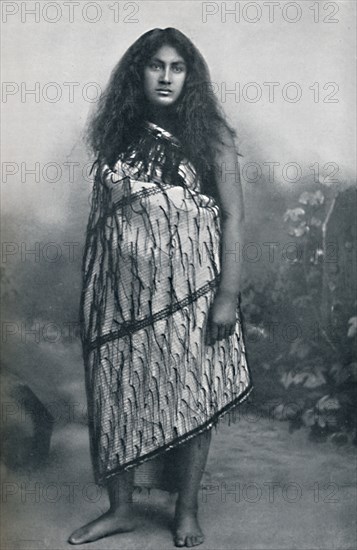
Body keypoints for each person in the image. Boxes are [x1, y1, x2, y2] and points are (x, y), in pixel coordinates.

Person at [69, 27, 253, 548]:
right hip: (120, 297)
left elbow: (233, 218)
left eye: (177, 67)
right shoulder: (119, 132)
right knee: (116, 393)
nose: (167, 77)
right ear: (138, 73)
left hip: (192, 295)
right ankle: (121, 509)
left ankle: (186, 511)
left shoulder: (210, 135)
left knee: (191, 394)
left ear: (189, 76)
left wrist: (227, 296)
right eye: (156, 66)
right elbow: (102, 222)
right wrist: (99, 292)